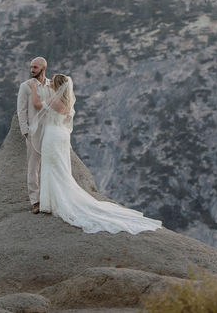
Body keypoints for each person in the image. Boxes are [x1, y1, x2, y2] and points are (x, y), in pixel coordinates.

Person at [29, 73, 161, 234]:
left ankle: (50, 202)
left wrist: (33, 88)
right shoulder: (67, 102)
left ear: (57, 86)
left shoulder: (55, 101)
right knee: (61, 168)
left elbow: (36, 104)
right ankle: (52, 199)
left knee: (51, 166)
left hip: (53, 135)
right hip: (62, 135)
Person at [17, 56, 52, 214]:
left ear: (43, 68)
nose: (32, 70)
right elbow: (21, 109)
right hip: (33, 132)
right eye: (31, 67)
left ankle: (48, 198)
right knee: (33, 167)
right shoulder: (26, 86)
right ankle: (35, 201)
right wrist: (25, 130)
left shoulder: (52, 85)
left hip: (50, 132)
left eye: (35, 67)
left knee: (49, 165)